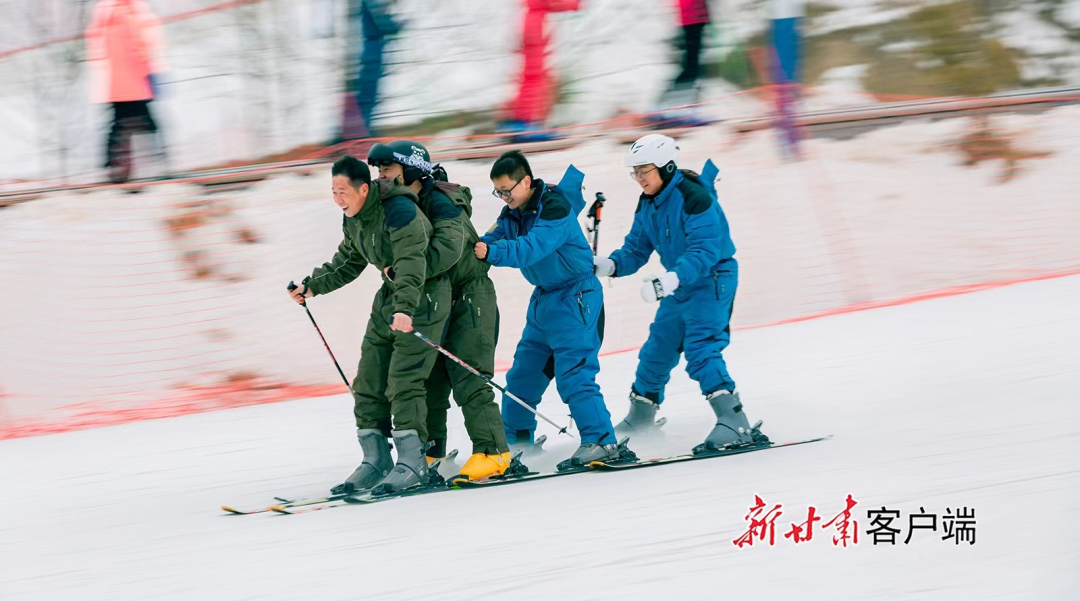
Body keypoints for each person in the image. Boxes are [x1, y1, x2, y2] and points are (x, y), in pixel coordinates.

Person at [290, 156, 450, 494]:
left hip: (422, 298)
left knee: (403, 379)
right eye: (334, 192)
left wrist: (405, 308)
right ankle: (376, 459)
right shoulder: (354, 217)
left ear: (364, 189)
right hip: (390, 298)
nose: (338, 199)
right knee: (368, 379)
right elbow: (349, 260)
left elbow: (412, 263)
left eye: (343, 192)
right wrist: (312, 286)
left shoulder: (399, 211)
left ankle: (414, 462)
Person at [593, 134, 760, 451]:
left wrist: (669, 280)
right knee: (657, 349)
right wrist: (611, 265)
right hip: (679, 282)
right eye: (635, 172)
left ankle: (735, 422)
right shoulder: (648, 201)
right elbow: (637, 247)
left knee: (701, 349)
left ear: (666, 167)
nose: (639, 178)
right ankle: (641, 416)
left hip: (712, 278)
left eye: (644, 171)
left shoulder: (694, 197)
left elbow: (705, 250)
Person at [475, 150, 633, 470]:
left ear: (526, 181)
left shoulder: (554, 208)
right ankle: (517, 443)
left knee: (574, 374)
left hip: (576, 298)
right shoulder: (512, 214)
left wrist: (490, 251)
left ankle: (602, 442)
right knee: (522, 377)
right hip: (544, 301)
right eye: (498, 192)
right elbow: (486, 240)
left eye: (507, 190)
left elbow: (531, 248)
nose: (504, 197)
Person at [366, 140, 513, 481]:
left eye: (388, 169)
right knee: (430, 375)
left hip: (470, 297)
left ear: (412, 170)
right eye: (379, 170)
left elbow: (448, 249)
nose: (381, 176)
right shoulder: (403, 204)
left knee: (468, 374)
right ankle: (431, 451)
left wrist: (404, 271)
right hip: (436, 297)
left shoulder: (443, 202)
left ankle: (494, 452)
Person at [84, 0, 168, 183]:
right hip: (131, 80)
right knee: (140, 124)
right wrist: (151, 72)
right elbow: (143, 43)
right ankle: (149, 165)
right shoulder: (122, 11)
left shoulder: (113, 10)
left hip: (122, 82)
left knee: (124, 125)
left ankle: (118, 169)